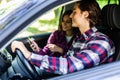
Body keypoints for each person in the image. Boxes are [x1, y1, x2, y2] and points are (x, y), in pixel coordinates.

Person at [11, 0, 115, 75]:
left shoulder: (101, 42)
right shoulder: (79, 38)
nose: (71, 16)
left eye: (74, 12)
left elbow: (69, 66)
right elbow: (66, 58)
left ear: (85, 14)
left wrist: (29, 55)